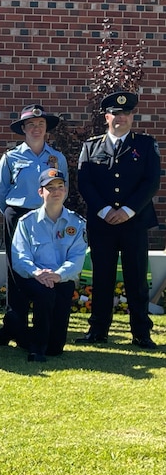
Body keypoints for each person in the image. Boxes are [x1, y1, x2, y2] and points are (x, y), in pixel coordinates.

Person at [76, 91, 160, 349]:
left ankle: (141, 333)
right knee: (102, 278)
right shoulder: (91, 146)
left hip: (134, 222)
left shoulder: (145, 145)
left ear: (132, 116)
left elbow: (151, 182)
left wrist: (127, 210)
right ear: (106, 116)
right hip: (102, 224)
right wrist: (103, 210)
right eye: (115, 113)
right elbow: (84, 182)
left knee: (136, 278)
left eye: (125, 114)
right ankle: (98, 330)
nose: (119, 118)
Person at [0, 104, 67, 345]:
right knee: (17, 272)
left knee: (45, 267)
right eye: (31, 125)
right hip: (18, 217)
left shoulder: (57, 158)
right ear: (23, 129)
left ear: (46, 129)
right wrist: (13, 216)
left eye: (41, 124)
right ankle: (16, 325)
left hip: (47, 219)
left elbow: (62, 188)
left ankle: (43, 326)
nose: (36, 128)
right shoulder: (11, 157)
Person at [9, 169, 87, 362]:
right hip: (32, 279)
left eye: (60, 187)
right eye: (50, 188)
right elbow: (19, 257)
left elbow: (77, 258)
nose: (56, 192)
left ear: (66, 190)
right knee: (45, 293)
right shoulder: (27, 222)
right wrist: (38, 273)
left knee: (56, 349)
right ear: (40, 192)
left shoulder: (77, 223)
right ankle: (36, 349)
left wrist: (58, 275)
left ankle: (16, 331)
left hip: (62, 279)